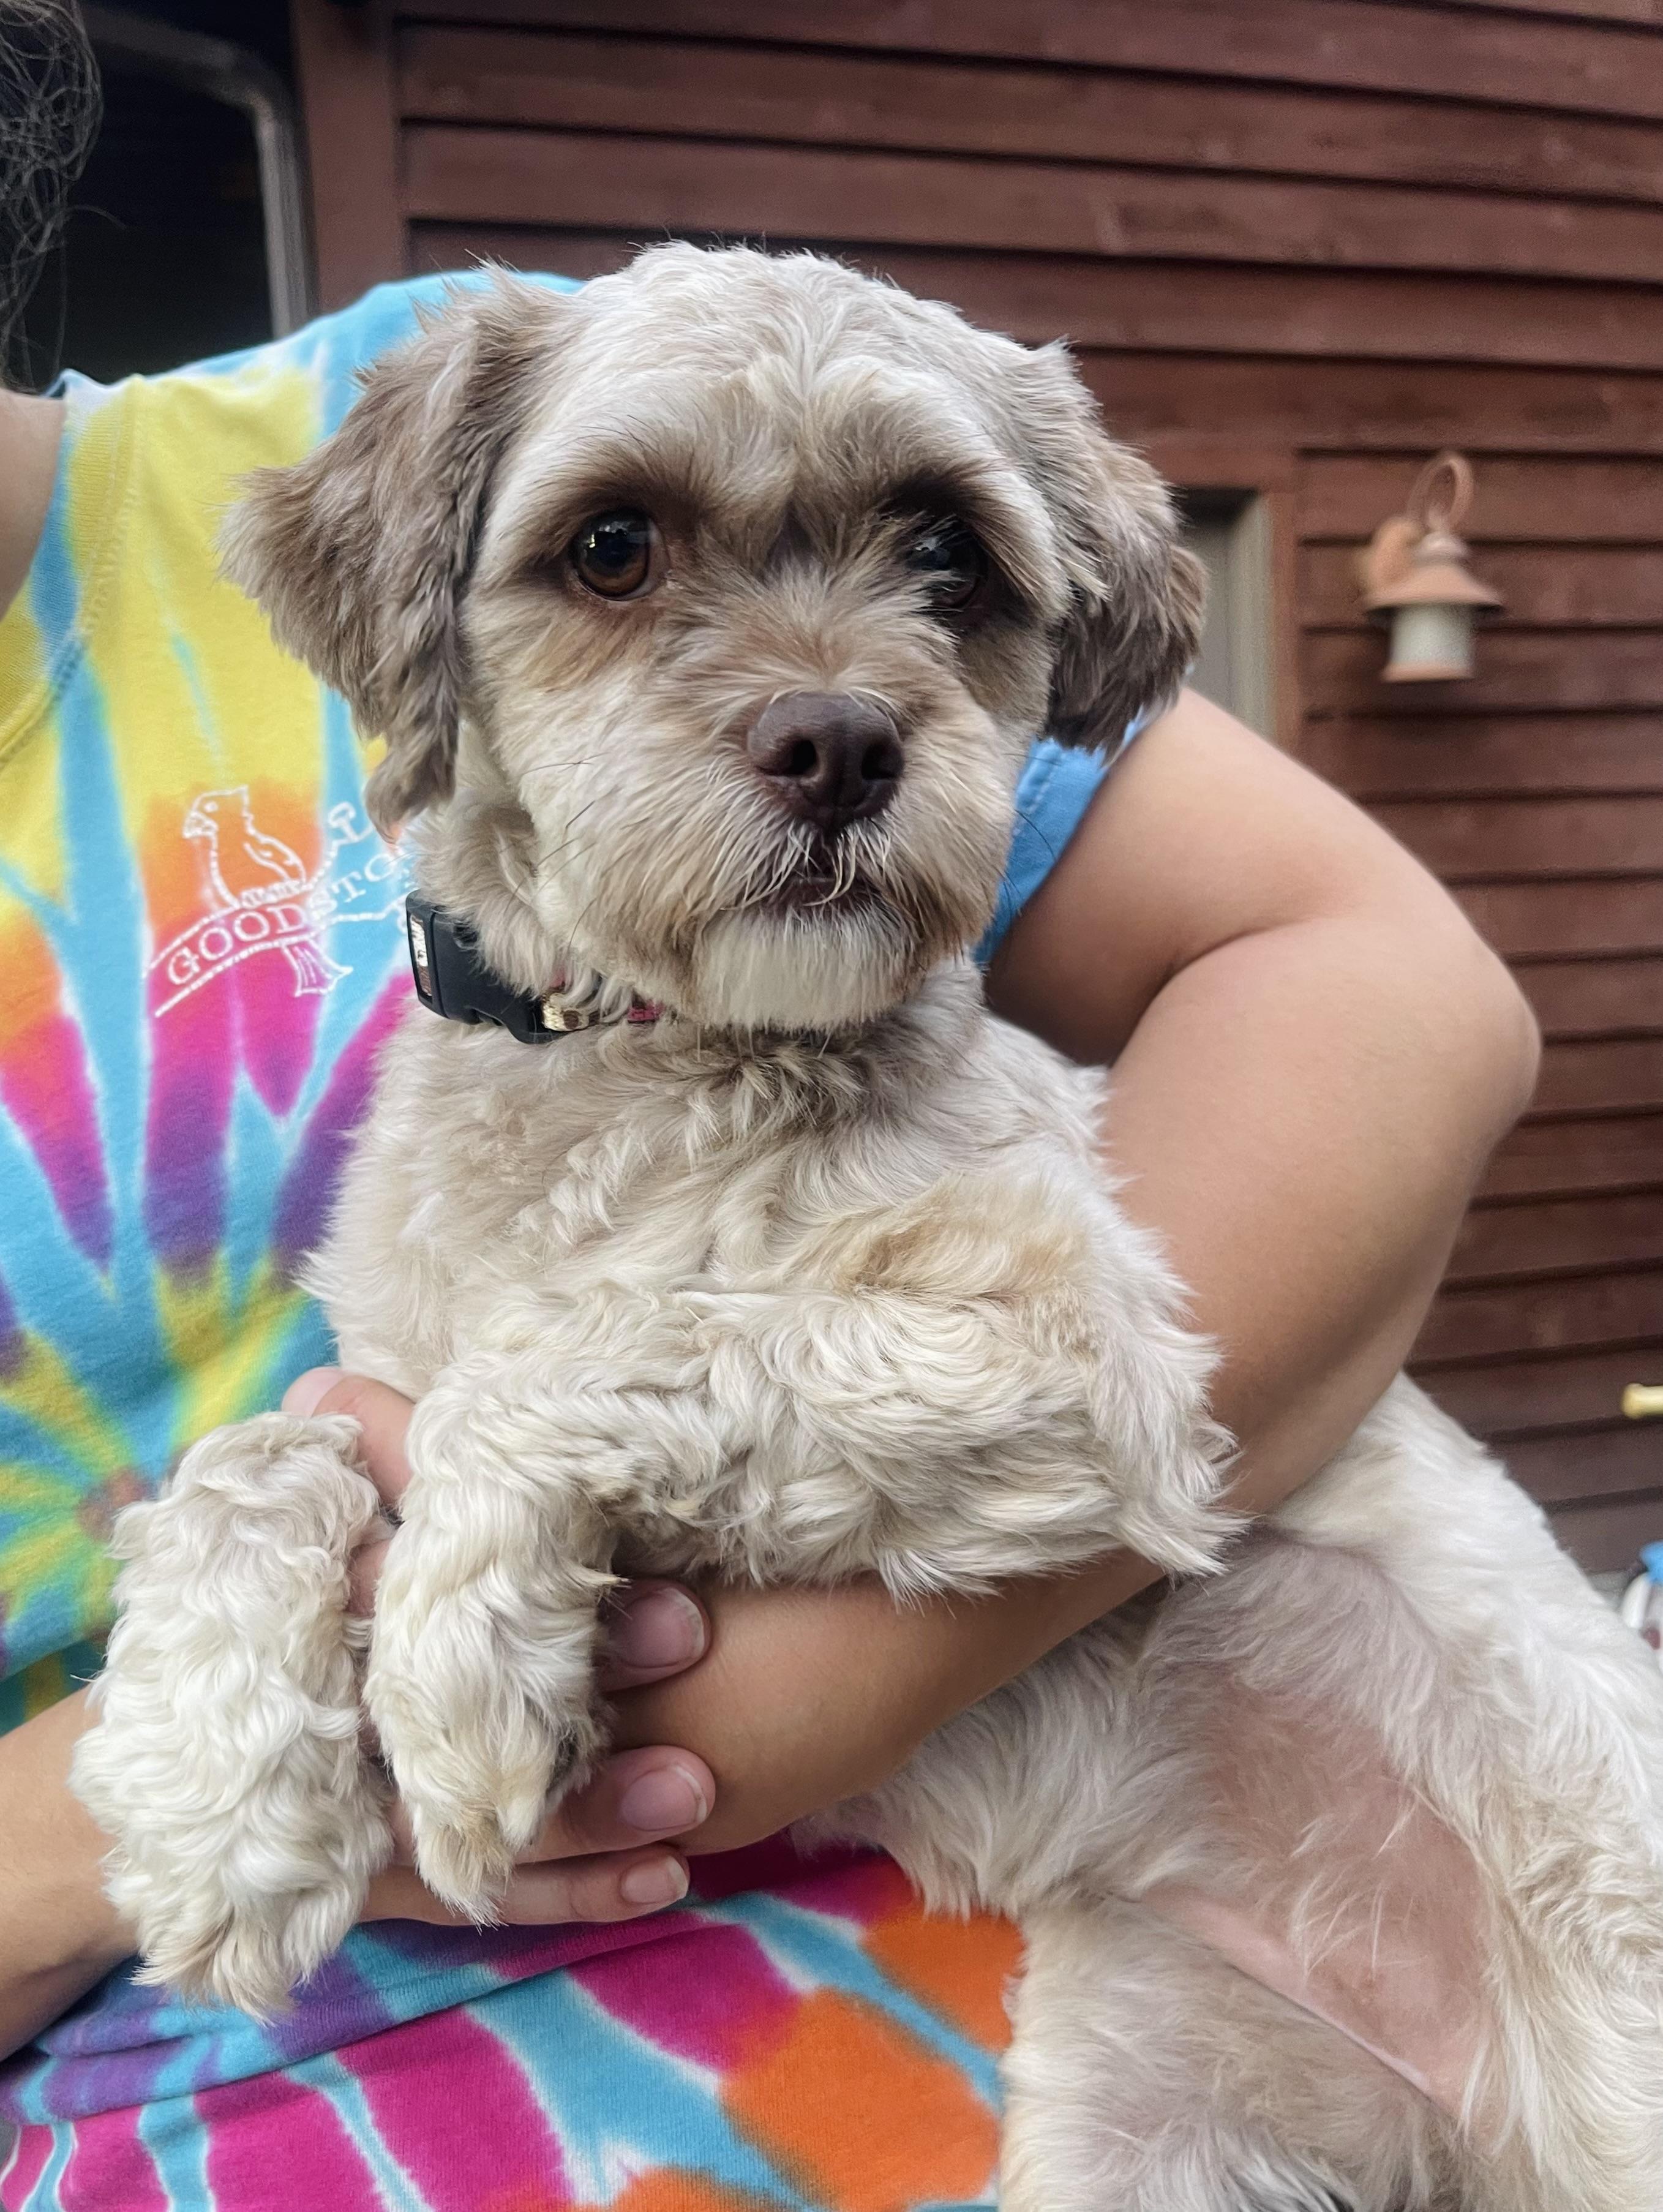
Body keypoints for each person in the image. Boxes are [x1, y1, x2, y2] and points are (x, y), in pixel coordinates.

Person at [0, 12, 1538, 2208]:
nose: (820, 698)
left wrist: (780, 1690)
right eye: (620, 560)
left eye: (936, 567)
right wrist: (110, 1806)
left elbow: (1377, 1002)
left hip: (1090, 1952)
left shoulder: (476, 377)